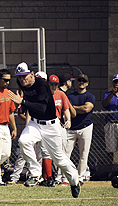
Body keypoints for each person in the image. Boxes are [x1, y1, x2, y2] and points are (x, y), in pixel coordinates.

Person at [8, 62, 82, 198]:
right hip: (35, 123)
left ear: (31, 74)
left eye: (24, 76)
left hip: (51, 125)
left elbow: (42, 108)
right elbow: (30, 108)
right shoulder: (22, 85)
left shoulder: (42, 84)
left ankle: (74, 180)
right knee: (23, 141)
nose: (22, 79)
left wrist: (22, 101)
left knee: (59, 159)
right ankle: (35, 173)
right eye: (19, 77)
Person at [47, 74, 75, 186]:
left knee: (63, 152)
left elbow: (66, 109)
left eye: (55, 85)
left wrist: (69, 120)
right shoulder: (45, 95)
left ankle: (66, 177)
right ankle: (56, 177)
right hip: (47, 126)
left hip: (58, 125)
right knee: (51, 153)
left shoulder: (61, 94)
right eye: (51, 84)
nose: (53, 87)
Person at [66, 74, 95, 181]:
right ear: (76, 82)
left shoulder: (90, 96)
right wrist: (78, 109)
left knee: (83, 154)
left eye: (84, 81)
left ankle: (80, 177)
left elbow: (87, 109)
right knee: (65, 154)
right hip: (71, 128)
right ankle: (66, 175)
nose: (81, 82)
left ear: (87, 83)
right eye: (79, 80)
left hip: (85, 127)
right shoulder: (70, 96)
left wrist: (73, 108)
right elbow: (67, 110)